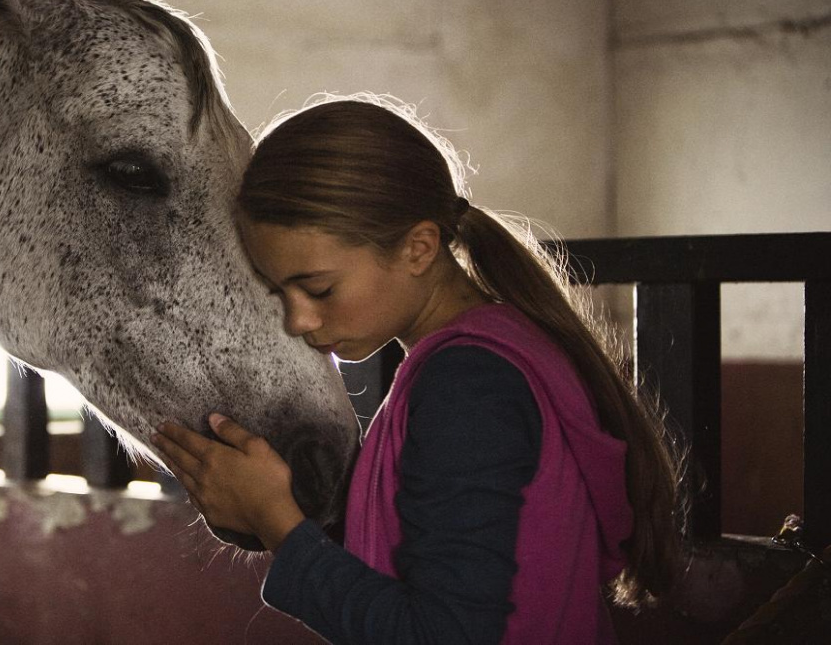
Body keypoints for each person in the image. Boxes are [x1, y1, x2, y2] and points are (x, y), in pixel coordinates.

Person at [151, 96, 683, 644]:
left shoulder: (468, 386)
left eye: (317, 288)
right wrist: (272, 508)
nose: (297, 319)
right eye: (277, 291)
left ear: (418, 248)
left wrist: (279, 525)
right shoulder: (490, 352)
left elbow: (443, 634)